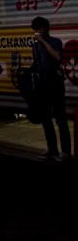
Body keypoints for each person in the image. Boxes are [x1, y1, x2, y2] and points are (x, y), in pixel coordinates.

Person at [30, 16, 71, 161]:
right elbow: (36, 62)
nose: (37, 32)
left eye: (39, 29)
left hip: (56, 83)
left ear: (45, 28)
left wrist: (42, 42)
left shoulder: (55, 42)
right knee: (45, 119)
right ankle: (52, 150)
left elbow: (57, 57)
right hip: (43, 84)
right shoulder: (35, 45)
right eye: (35, 29)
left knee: (60, 118)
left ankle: (66, 152)